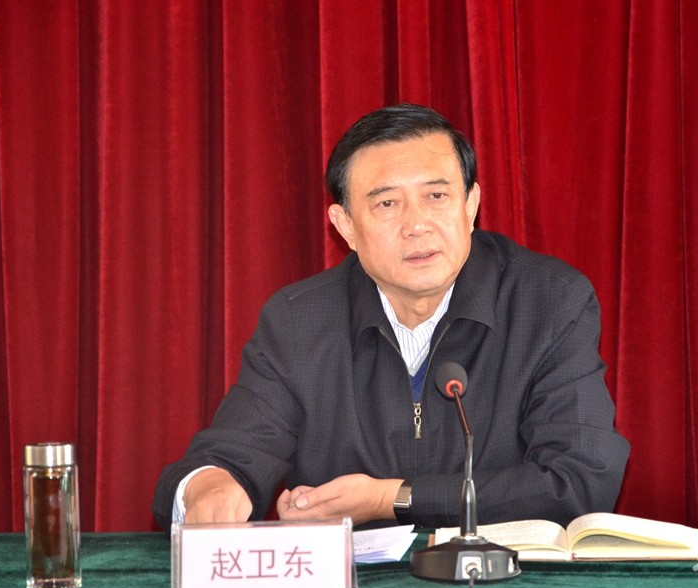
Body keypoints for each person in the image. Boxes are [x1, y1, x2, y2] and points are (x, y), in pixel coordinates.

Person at [152, 103, 629, 532]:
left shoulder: (548, 301)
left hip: (502, 584)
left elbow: (580, 481)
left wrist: (389, 499)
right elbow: (235, 450)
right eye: (386, 203)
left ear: (470, 206)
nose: (416, 224)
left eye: (436, 196)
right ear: (345, 226)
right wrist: (211, 485)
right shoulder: (299, 320)